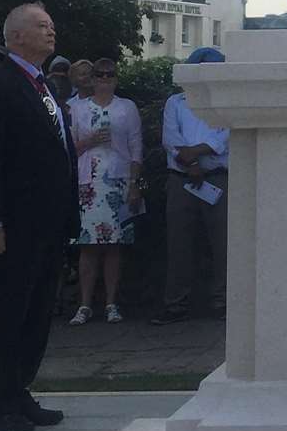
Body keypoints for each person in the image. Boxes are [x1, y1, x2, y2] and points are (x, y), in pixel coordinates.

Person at [0, 3, 78, 431]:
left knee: (36, 311)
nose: (51, 32)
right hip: (14, 224)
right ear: (16, 36)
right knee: (7, 312)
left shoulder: (44, 85)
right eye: (42, 26)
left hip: (49, 222)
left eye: (52, 25)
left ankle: (20, 389)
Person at [151, 47, 229, 326]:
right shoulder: (176, 102)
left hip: (216, 178)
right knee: (179, 244)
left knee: (223, 244)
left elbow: (223, 138)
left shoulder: (227, 102)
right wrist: (190, 163)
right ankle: (176, 304)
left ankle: (223, 301)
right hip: (182, 180)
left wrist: (194, 155)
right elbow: (171, 138)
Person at [68, 58, 142, 325]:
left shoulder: (127, 107)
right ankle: (85, 304)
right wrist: (89, 141)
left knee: (114, 246)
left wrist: (135, 185)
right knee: (87, 246)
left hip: (118, 181)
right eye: (99, 75)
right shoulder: (77, 108)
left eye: (110, 74)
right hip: (87, 182)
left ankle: (111, 303)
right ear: (92, 79)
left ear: (116, 78)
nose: (104, 79)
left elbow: (136, 148)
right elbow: (68, 149)